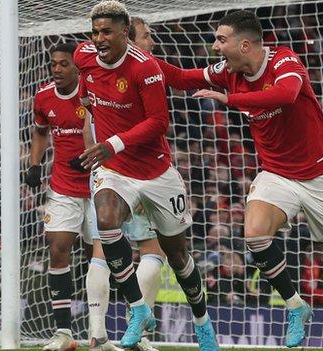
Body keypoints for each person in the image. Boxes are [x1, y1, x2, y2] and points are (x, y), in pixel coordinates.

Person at [153, 10, 323, 350]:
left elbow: (286, 94)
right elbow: (183, 77)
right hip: (276, 172)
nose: (215, 47)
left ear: (244, 44)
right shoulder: (227, 72)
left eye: (221, 40)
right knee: (255, 234)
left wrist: (230, 100)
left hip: (320, 174)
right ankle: (295, 306)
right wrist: (138, 57)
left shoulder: (284, 61)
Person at [73, 2, 218, 350]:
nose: (99, 39)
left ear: (125, 33)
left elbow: (158, 123)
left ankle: (203, 324)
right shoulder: (84, 57)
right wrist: (90, 115)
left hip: (156, 173)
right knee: (106, 222)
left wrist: (112, 143)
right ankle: (138, 309)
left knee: (180, 258)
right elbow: (86, 95)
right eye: (95, 32)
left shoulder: (145, 68)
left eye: (107, 32)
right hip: (115, 171)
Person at [25, 43, 121, 351]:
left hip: (99, 186)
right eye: (53, 64)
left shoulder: (93, 95)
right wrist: (34, 164)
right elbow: (40, 130)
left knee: (105, 258)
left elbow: (110, 130)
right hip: (63, 187)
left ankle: (100, 333)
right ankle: (64, 334)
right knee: (58, 248)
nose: (56, 69)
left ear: (77, 68)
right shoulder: (43, 97)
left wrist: (91, 155)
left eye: (63, 64)